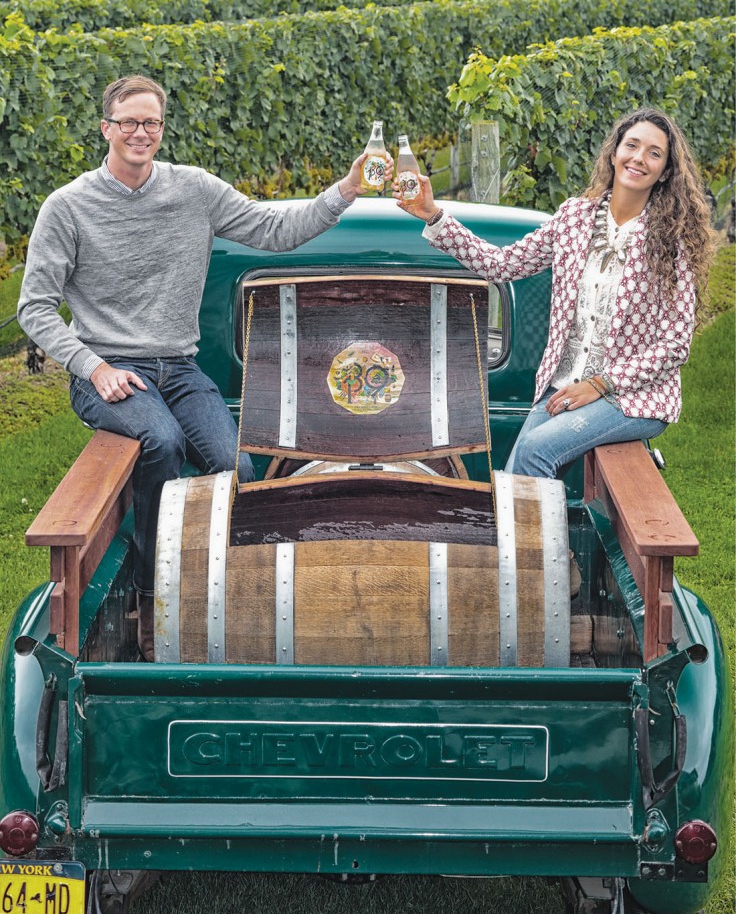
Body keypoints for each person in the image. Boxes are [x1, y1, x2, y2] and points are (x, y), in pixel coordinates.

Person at [18, 74, 393, 660]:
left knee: (233, 463)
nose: (141, 132)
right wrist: (91, 367)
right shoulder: (67, 206)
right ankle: (150, 595)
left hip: (179, 367)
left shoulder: (194, 189)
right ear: (106, 129)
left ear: (161, 130)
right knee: (160, 442)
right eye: (129, 122)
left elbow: (275, 231)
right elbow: (34, 308)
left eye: (151, 123)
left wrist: (345, 189)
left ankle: (230, 591)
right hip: (108, 370)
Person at [393, 108, 715, 480]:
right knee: (517, 473)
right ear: (614, 153)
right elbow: (502, 265)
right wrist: (434, 216)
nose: (639, 158)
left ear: (666, 172)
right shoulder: (573, 218)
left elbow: (675, 343)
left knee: (533, 451)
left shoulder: (671, 240)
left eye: (654, 153)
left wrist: (601, 384)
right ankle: (523, 540)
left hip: (632, 396)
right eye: (632, 145)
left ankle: (520, 539)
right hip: (563, 385)